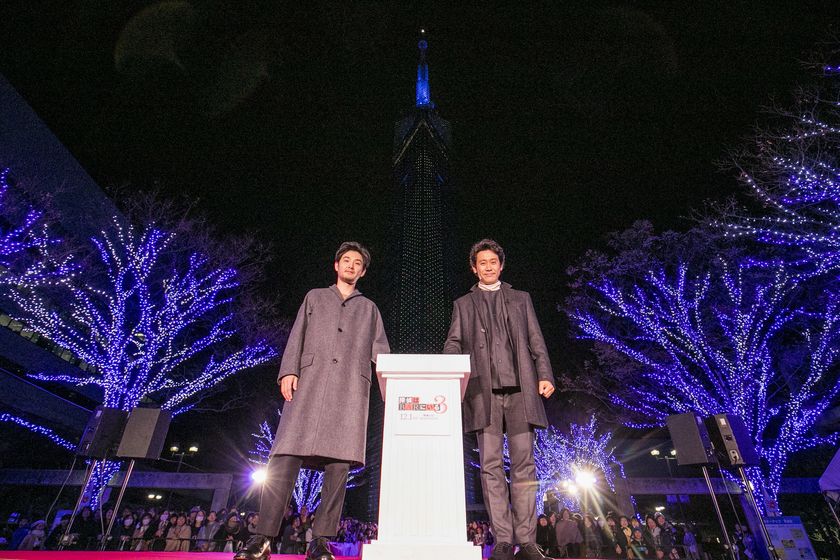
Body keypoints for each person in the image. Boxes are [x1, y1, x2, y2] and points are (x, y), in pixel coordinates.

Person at [235, 242, 390, 560]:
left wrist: (397, 383)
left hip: (349, 390)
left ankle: (321, 541)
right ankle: (262, 538)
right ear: (336, 265)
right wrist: (288, 370)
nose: (350, 265)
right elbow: (297, 335)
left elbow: (382, 352)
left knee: (339, 465)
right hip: (309, 385)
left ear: (363, 272)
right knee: (284, 457)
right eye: (346, 260)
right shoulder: (315, 297)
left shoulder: (369, 308)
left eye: (357, 262)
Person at [444, 239, 555, 560]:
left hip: (521, 391)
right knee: (490, 467)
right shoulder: (463, 304)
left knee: (524, 465)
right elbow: (453, 342)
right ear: (474, 268)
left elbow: (536, 340)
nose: (488, 267)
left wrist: (545, 374)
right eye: (482, 262)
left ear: (501, 265)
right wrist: (447, 368)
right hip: (484, 394)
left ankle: (528, 541)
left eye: (493, 261)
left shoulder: (521, 299)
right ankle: (503, 540)